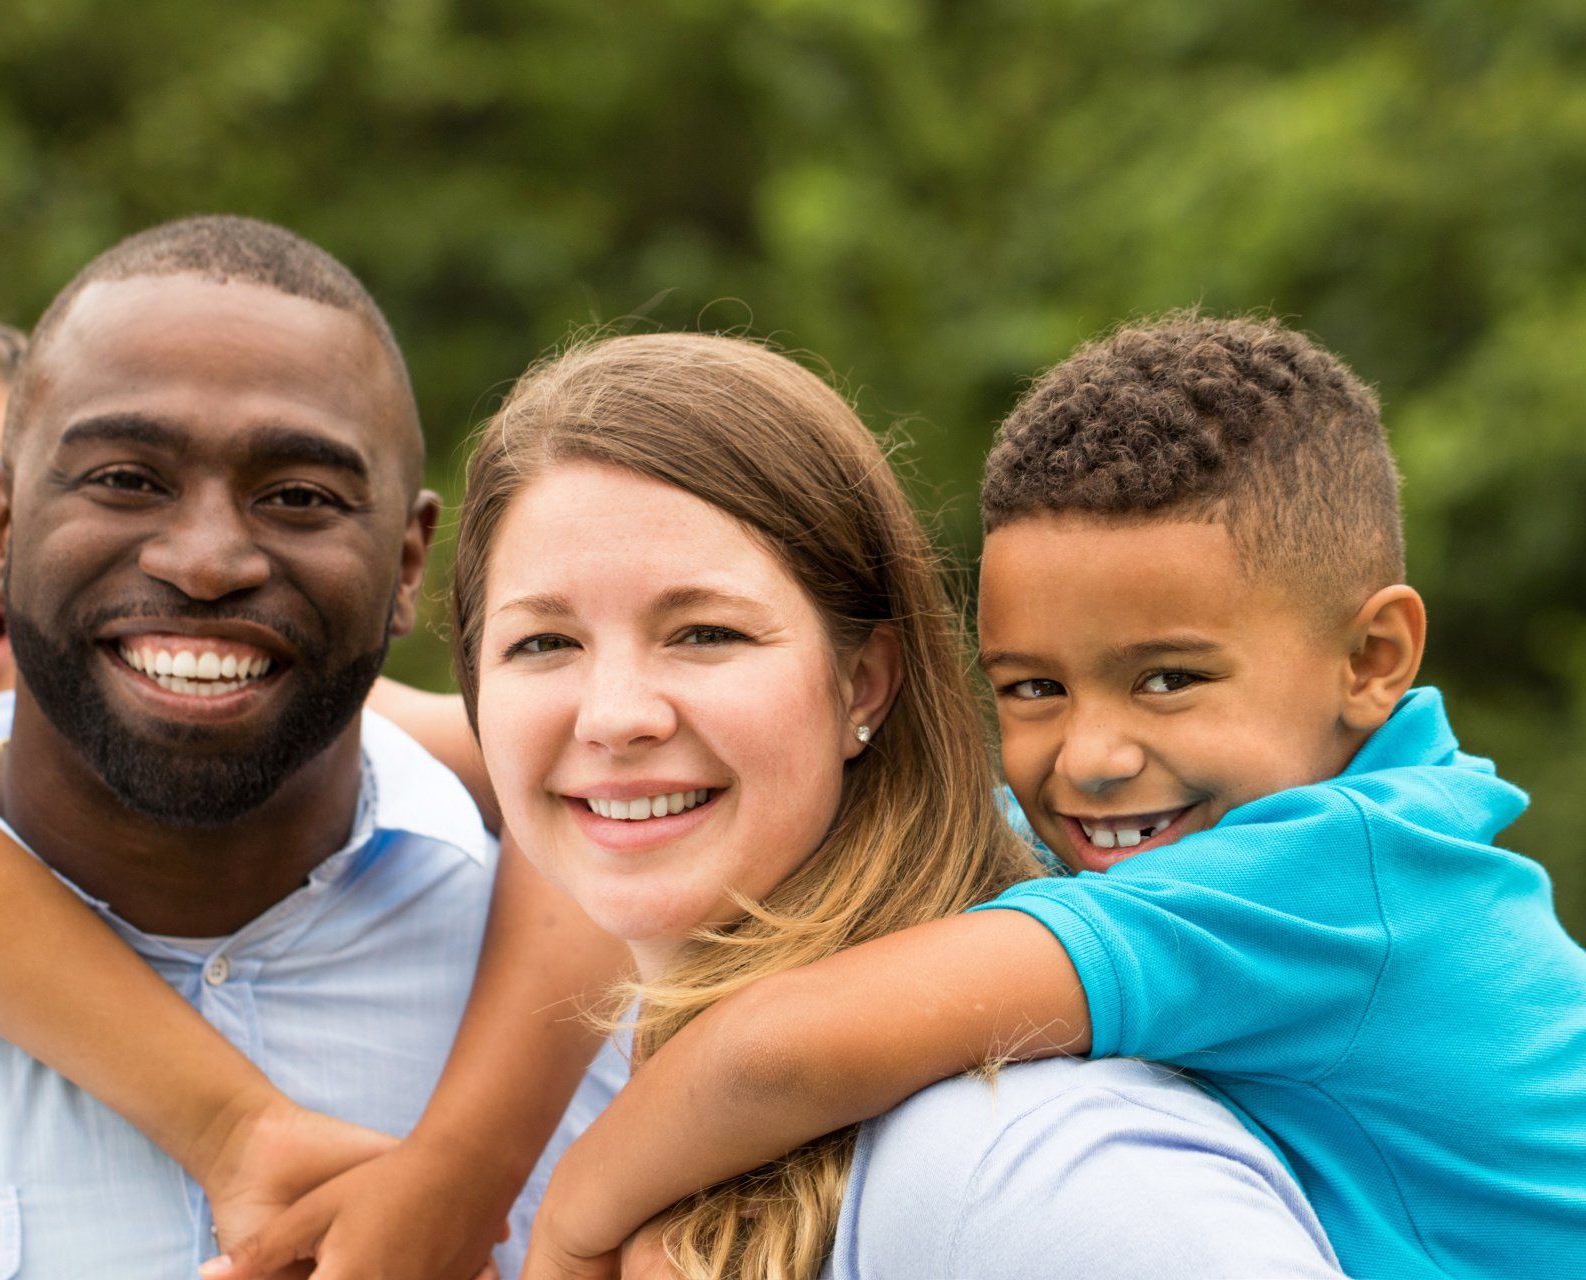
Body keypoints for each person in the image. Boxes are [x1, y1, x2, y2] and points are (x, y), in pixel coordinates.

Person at [522, 316, 1586, 1280]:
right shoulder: (1276, 830)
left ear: (1372, 656)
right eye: (1034, 687)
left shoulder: (1339, 873)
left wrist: (575, 1227)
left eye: (1166, 678)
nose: (1090, 758)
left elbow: (783, 1051)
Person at [0, 217, 622, 1278]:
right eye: (125, 477)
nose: (206, 563)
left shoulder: (657, 978)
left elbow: (588, 779)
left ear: (408, 563)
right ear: (6, 522)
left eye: (298, 495)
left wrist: (465, 1168)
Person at [319, 330, 1328, 1279]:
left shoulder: (1020, 1156)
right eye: (543, 643)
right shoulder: (643, 1104)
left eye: (705, 632)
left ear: (864, 683)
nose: (615, 716)